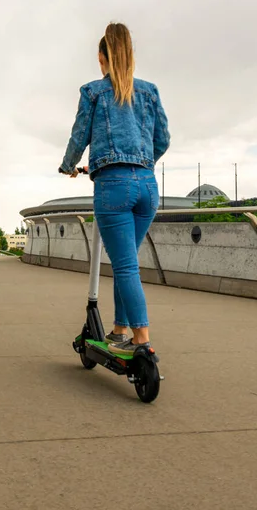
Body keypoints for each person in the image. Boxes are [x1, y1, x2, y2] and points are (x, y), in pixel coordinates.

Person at [59, 22, 170, 354]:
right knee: (129, 262)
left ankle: (143, 341)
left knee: (124, 266)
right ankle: (120, 329)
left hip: (113, 187)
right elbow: (162, 140)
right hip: (148, 186)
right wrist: (143, 159)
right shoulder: (150, 91)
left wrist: (68, 166)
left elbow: (79, 137)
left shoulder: (93, 92)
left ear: (101, 58)